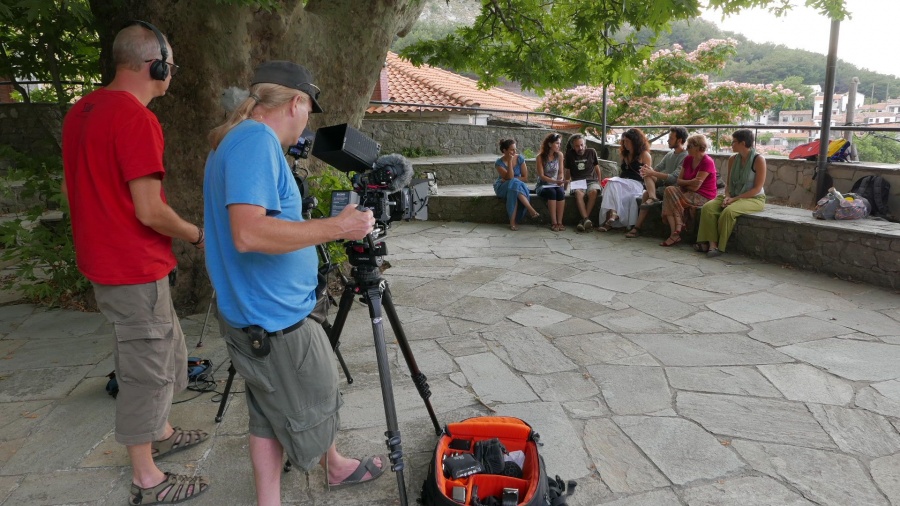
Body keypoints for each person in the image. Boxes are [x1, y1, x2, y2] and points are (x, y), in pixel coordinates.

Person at [202, 60, 383, 505]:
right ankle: (335, 467)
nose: (305, 124)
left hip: (254, 314)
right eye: (307, 111)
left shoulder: (233, 139)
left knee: (267, 412)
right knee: (316, 401)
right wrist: (338, 228)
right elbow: (249, 233)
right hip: (275, 319)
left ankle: (270, 500)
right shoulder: (255, 140)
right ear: (297, 102)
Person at [61, 21, 210, 505]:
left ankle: (161, 431)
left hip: (108, 262)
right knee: (146, 368)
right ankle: (147, 479)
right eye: (173, 65)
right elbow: (149, 210)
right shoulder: (136, 118)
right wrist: (195, 234)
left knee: (166, 353)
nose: (174, 74)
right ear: (157, 65)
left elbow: (73, 192)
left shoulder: (80, 110)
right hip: (133, 267)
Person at [696, 129, 767, 257]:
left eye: (734, 142)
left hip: (754, 198)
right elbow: (728, 184)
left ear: (743, 143)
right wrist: (728, 196)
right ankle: (712, 245)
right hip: (733, 195)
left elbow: (757, 189)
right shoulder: (732, 159)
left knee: (728, 212)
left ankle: (721, 247)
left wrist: (733, 200)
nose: (731, 145)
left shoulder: (758, 160)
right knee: (708, 207)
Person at [626, 126, 689, 238]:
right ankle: (638, 225)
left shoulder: (685, 156)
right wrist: (646, 169)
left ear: (679, 140)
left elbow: (673, 178)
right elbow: (657, 169)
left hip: (675, 190)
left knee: (647, 188)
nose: (668, 140)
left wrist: (652, 173)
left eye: (671, 138)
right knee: (647, 173)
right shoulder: (669, 154)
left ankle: (651, 198)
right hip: (663, 187)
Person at [659, 134, 717, 247]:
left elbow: (696, 188)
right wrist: (690, 182)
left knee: (671, 199)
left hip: (704, 195)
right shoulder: (688, 159)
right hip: (688, 192)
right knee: (669, 190)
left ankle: (674, 234)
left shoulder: (707, 161)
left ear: (697, 147)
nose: (687, 148)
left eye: (689, 146)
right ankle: (675, 230)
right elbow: (679, 181)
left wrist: (686, 184)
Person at [597, 128, 652, 232]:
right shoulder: (625, 154)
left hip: (636, 184)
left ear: (635, 141)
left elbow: (647, 175)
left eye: (628, 141)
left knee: (612, 183)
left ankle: (610, 218)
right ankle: (613, 216)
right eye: (624, 141)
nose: (625, 143)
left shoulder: (644, 155)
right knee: (611, 184)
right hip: (623, 183)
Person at [494, 138, 540, 230]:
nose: (514, 152)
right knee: (513, 183)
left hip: (517, 186)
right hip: (502, 187)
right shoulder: (499, 163)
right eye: (512, 150)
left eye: (515, 149)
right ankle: (530, 209)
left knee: (513, 187)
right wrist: (510, 161)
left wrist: (511, 180)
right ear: (504, 150)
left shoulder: (520, 159)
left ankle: (512, 222)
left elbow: (525, 177)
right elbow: (510, 177)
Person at [564, 134, 602, 232]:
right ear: (573, 146)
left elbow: (597, 168)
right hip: (577, 181)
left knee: (594, 192)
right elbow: (567, 171)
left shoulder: (592, 152)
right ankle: (586, 219)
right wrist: (565, 186)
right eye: (577, 146)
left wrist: (600, 181)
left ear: (585, 144)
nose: (580, 148)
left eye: (582, 145)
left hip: (591, 180)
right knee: (578, 193)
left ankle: (584, 220)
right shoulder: (569, 154)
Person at [535, 133, 567, 231]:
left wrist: (560, 180)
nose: (559, 146)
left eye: (560, 144)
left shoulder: (560, 155)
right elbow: (542, 176)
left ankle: (560, 222)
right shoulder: (540, 157)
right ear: (549, 144)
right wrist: (555, 181)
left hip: (556, 184)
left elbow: (561, 172)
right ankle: (554, 222)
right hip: (543, 185)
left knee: (561, 192)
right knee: (552, 192)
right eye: (557, 143)